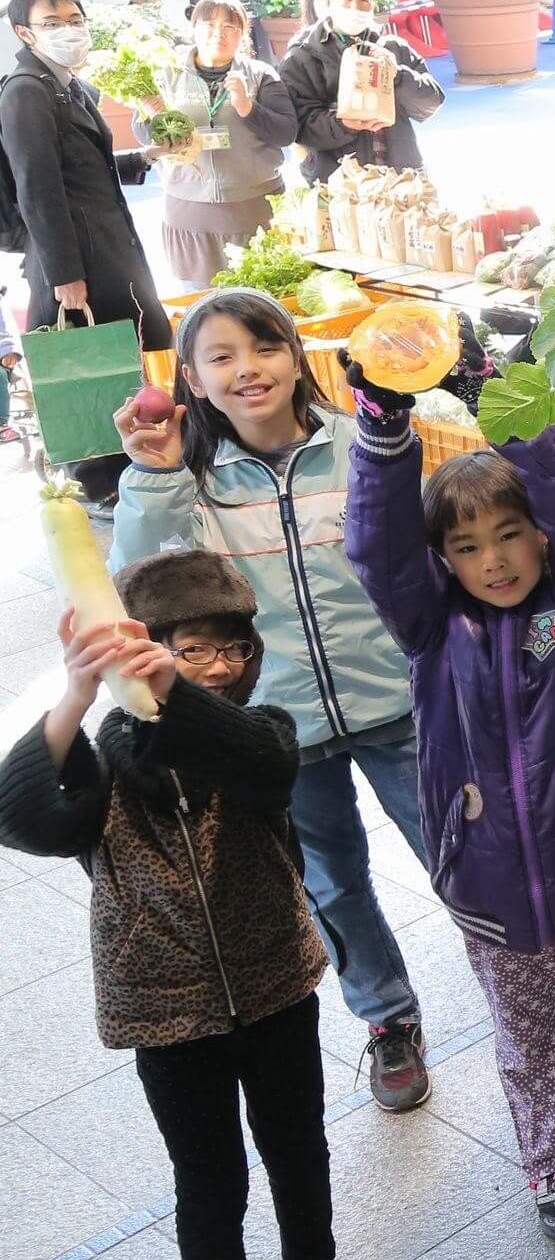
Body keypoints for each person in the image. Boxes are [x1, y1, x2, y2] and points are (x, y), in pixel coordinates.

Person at [0, 557, 404, 1260]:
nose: (221, 667)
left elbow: (263, 763)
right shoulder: (106, 765)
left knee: (299, 1144)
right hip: (163, 1006)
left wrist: (174, 693)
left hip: (277, 982)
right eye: (191, 650)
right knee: (211, 1178)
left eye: (235, 649)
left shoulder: (261, 734)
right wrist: (80, 691)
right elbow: (21, 818)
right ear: (144, 648)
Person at [342, 382, 555, 1247]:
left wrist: (517, 424)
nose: (497, 559)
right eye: (469, 545)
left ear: (541, 536)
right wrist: (383, 433)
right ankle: (552, 1164)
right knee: (522, 1038)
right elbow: (376, 551)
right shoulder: (430, 629)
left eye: (512, 533)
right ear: (443, 560)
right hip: (482, 877)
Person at [108, 289, 434, 1112]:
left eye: (263, 348)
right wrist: (152, 474)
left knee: (456, 849)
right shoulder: (188, 481)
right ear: (190, 378)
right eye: (220, 358)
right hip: (280, 724)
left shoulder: (364, 445)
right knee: (333, 881)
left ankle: (525, 976)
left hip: (396, 699)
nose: (247, 370)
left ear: (297, 356)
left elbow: (420, 553)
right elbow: (144, 584)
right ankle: (388, 1017)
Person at [1, 0, 173, 501]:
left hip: (102, 246)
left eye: (75, 18)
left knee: (118, 357)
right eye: (53, 23)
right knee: (86, 366)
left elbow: (81, 171)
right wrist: (64, 274)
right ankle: (98, 483)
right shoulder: (26, 91)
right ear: (24, 32)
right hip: (77, 259)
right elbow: (38, 187)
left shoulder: (65, 84)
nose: (69, 29)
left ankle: (130, 467)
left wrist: (143, 159)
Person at [141, 0, 297, 285]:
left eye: (230, 27)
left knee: (263, 304)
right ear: (194, 27)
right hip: (189, 214)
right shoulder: (167, 75)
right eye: (210, 24)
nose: (219, 34)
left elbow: (286, 133)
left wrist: (247, 108)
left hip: (253, 210)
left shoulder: (260, 75)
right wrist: (152, 117)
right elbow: (144, 139)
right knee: (203, 309)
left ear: (242, 34)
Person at [280, 0, 443, 183]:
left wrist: (397, 75)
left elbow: (430, 102)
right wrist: (343, 123)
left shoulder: (392, 48)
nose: (355, 7)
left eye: (363, 0)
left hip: (400, 178)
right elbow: (298, 126)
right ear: (329, 2)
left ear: (373, 6)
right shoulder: (303, 57)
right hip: (342, 185)